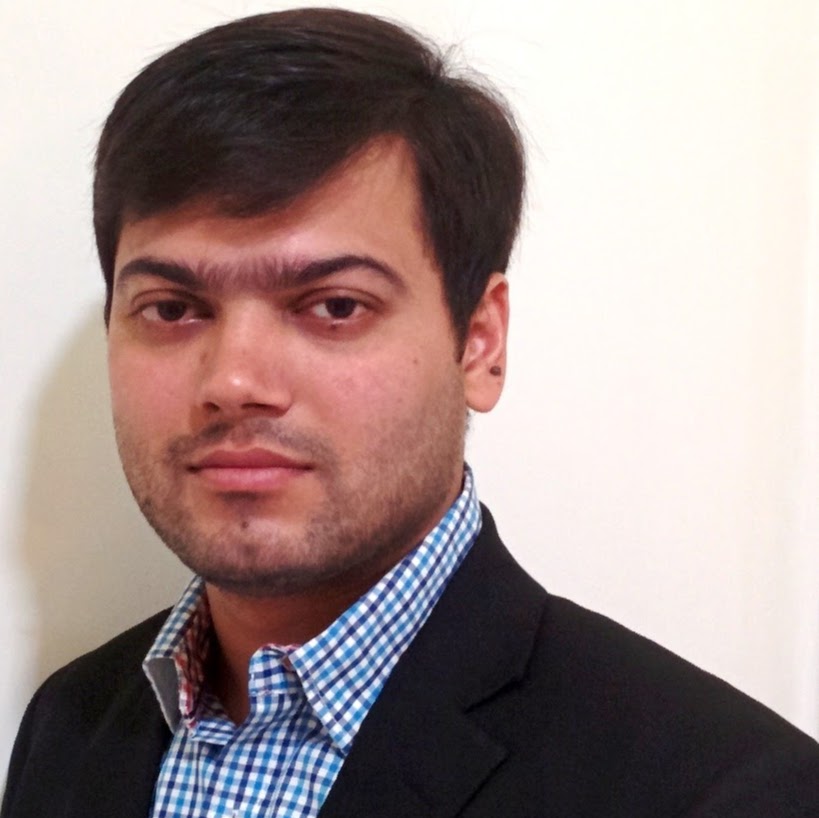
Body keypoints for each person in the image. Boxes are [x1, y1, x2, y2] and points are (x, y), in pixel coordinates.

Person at [2, 8, 818, 817]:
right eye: (173, 309)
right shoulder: (68, 725)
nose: (235, 380)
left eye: (335, 306)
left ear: (479, 343)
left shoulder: (727, 791)